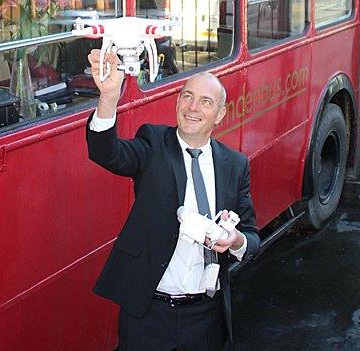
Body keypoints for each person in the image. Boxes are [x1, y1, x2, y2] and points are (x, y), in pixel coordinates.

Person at [86, 49, 260, 350]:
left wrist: (235, 241)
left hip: (206, 317)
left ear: (219, 115)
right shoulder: (153, 143)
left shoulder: (235, 165)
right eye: (187, 96)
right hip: (148, 315)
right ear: (177, 102)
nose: (193, 107)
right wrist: (109, 97)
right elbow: (107, 153)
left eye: (206, 102)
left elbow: (252, 238)